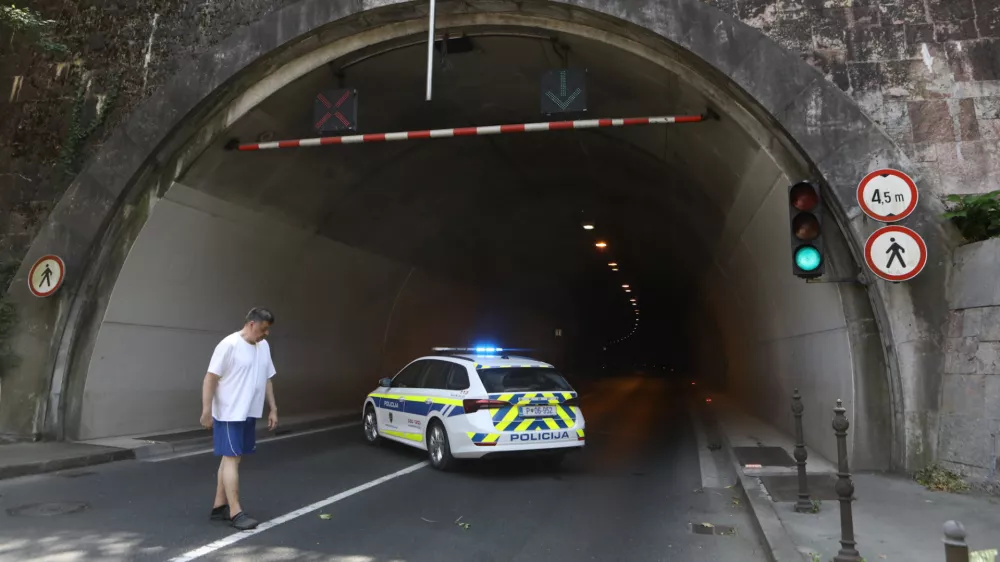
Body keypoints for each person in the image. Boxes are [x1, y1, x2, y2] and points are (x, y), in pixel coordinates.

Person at [200, 307, 279, 530]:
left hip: (248, 411)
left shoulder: (263, 347)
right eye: (264, 329)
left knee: (231, 458)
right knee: (232, 458)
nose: (266, 334)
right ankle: (236, 511)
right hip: (229, 413)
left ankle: (219, 506)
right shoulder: (229, 345)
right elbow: (210, 378)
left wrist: (273, 408)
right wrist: (207, 411)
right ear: (252, 324)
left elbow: (267, 379)